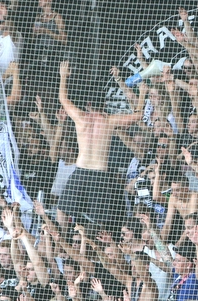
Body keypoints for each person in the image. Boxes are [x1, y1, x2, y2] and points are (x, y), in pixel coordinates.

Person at [56, 61, 147, 227]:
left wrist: (63, 77)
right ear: (103, 104)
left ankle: (63, 238)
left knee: (61, 210)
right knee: (100, 221)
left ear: (88, 104)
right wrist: (142, 93)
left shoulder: (80, 117)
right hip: (100, 175)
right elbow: (139, 115)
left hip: (81, 172)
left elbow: (63, 99)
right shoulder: (109, 121)